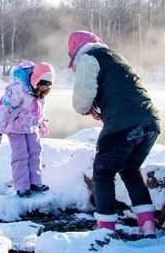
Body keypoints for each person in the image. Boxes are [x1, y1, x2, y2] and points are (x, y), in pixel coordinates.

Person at [68, 30, 160, 236]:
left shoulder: (88, 58)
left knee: (103, 172)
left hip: (122, 125)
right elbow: (124, 92)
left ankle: (105, 228)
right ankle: (148, 226)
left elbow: (81, 102)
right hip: (151, 122)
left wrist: (89, 107)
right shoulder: (117, 57)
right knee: (130, 169)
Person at [0, 61, 56, 197]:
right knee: (20, 155)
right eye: (42, 83)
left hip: (32, 127)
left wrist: (43, 122)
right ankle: (22, 186)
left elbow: (40, 110)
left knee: (36, 152)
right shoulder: (18, 89)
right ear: (35, 79)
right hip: (15, 128)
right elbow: (4, 107)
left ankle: (35, 182)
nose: (44, 88)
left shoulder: (41, 93)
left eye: (47, 85)